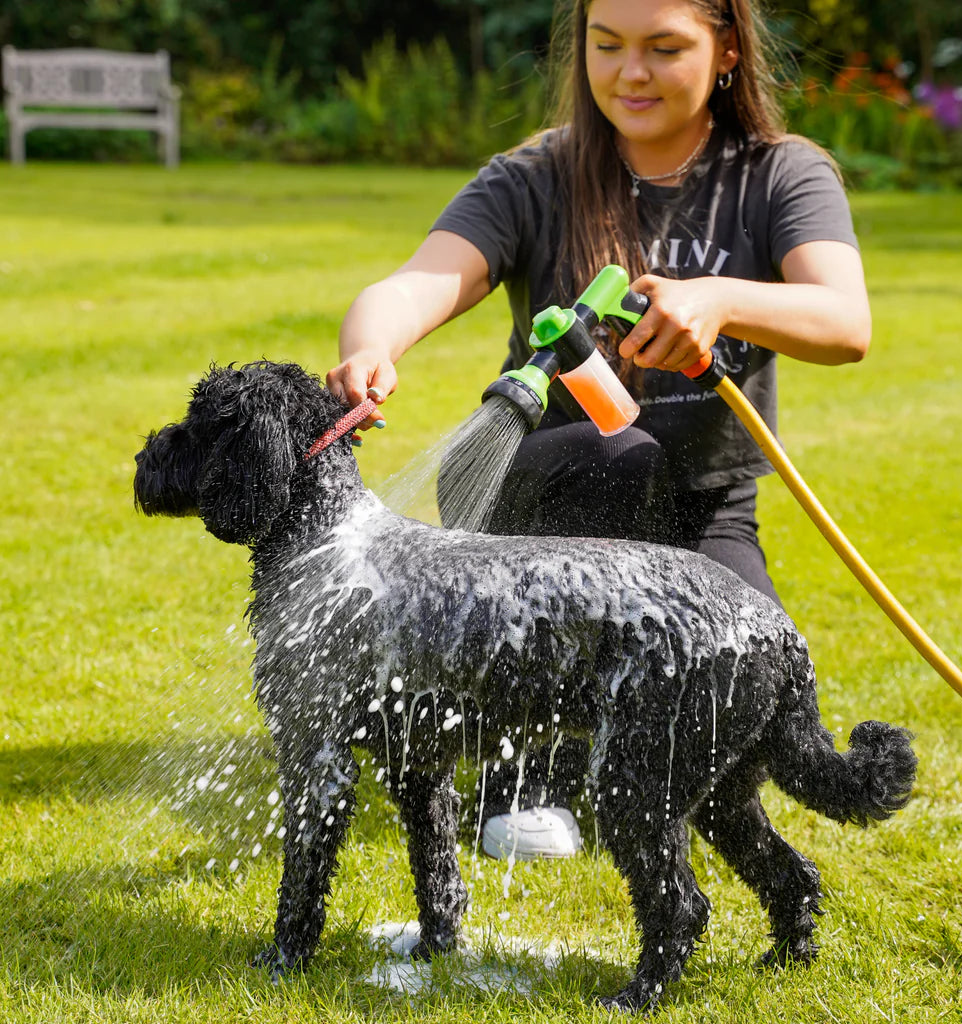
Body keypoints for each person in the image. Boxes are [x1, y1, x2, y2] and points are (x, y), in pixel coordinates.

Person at [327, 0, 871, 861]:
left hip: (700, 509)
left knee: (746, 676)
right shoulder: (534, 175)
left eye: (665, 48)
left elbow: (845, 321)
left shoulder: (778, 174)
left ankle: (601, 730)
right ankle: (524, 777)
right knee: (617, 452)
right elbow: (415, 284)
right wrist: (371, 347)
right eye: (607, 45)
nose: (630, 73)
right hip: (538, 503)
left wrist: (722, 299)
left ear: (728, 49)